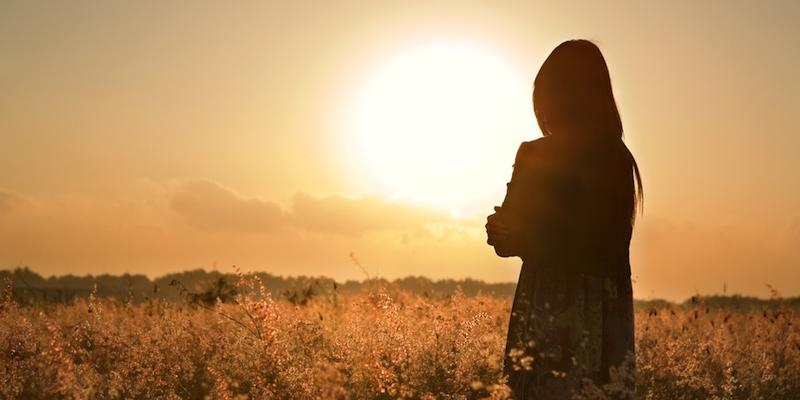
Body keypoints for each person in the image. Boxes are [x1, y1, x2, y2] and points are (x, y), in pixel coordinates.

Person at [486, 39, 643, 399]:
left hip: (547, 300)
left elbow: (519, 239)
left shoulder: (537, 153)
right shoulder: (619, 159)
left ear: (550, 95)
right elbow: (603, 245)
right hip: (608, 311)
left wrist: (504, 233)